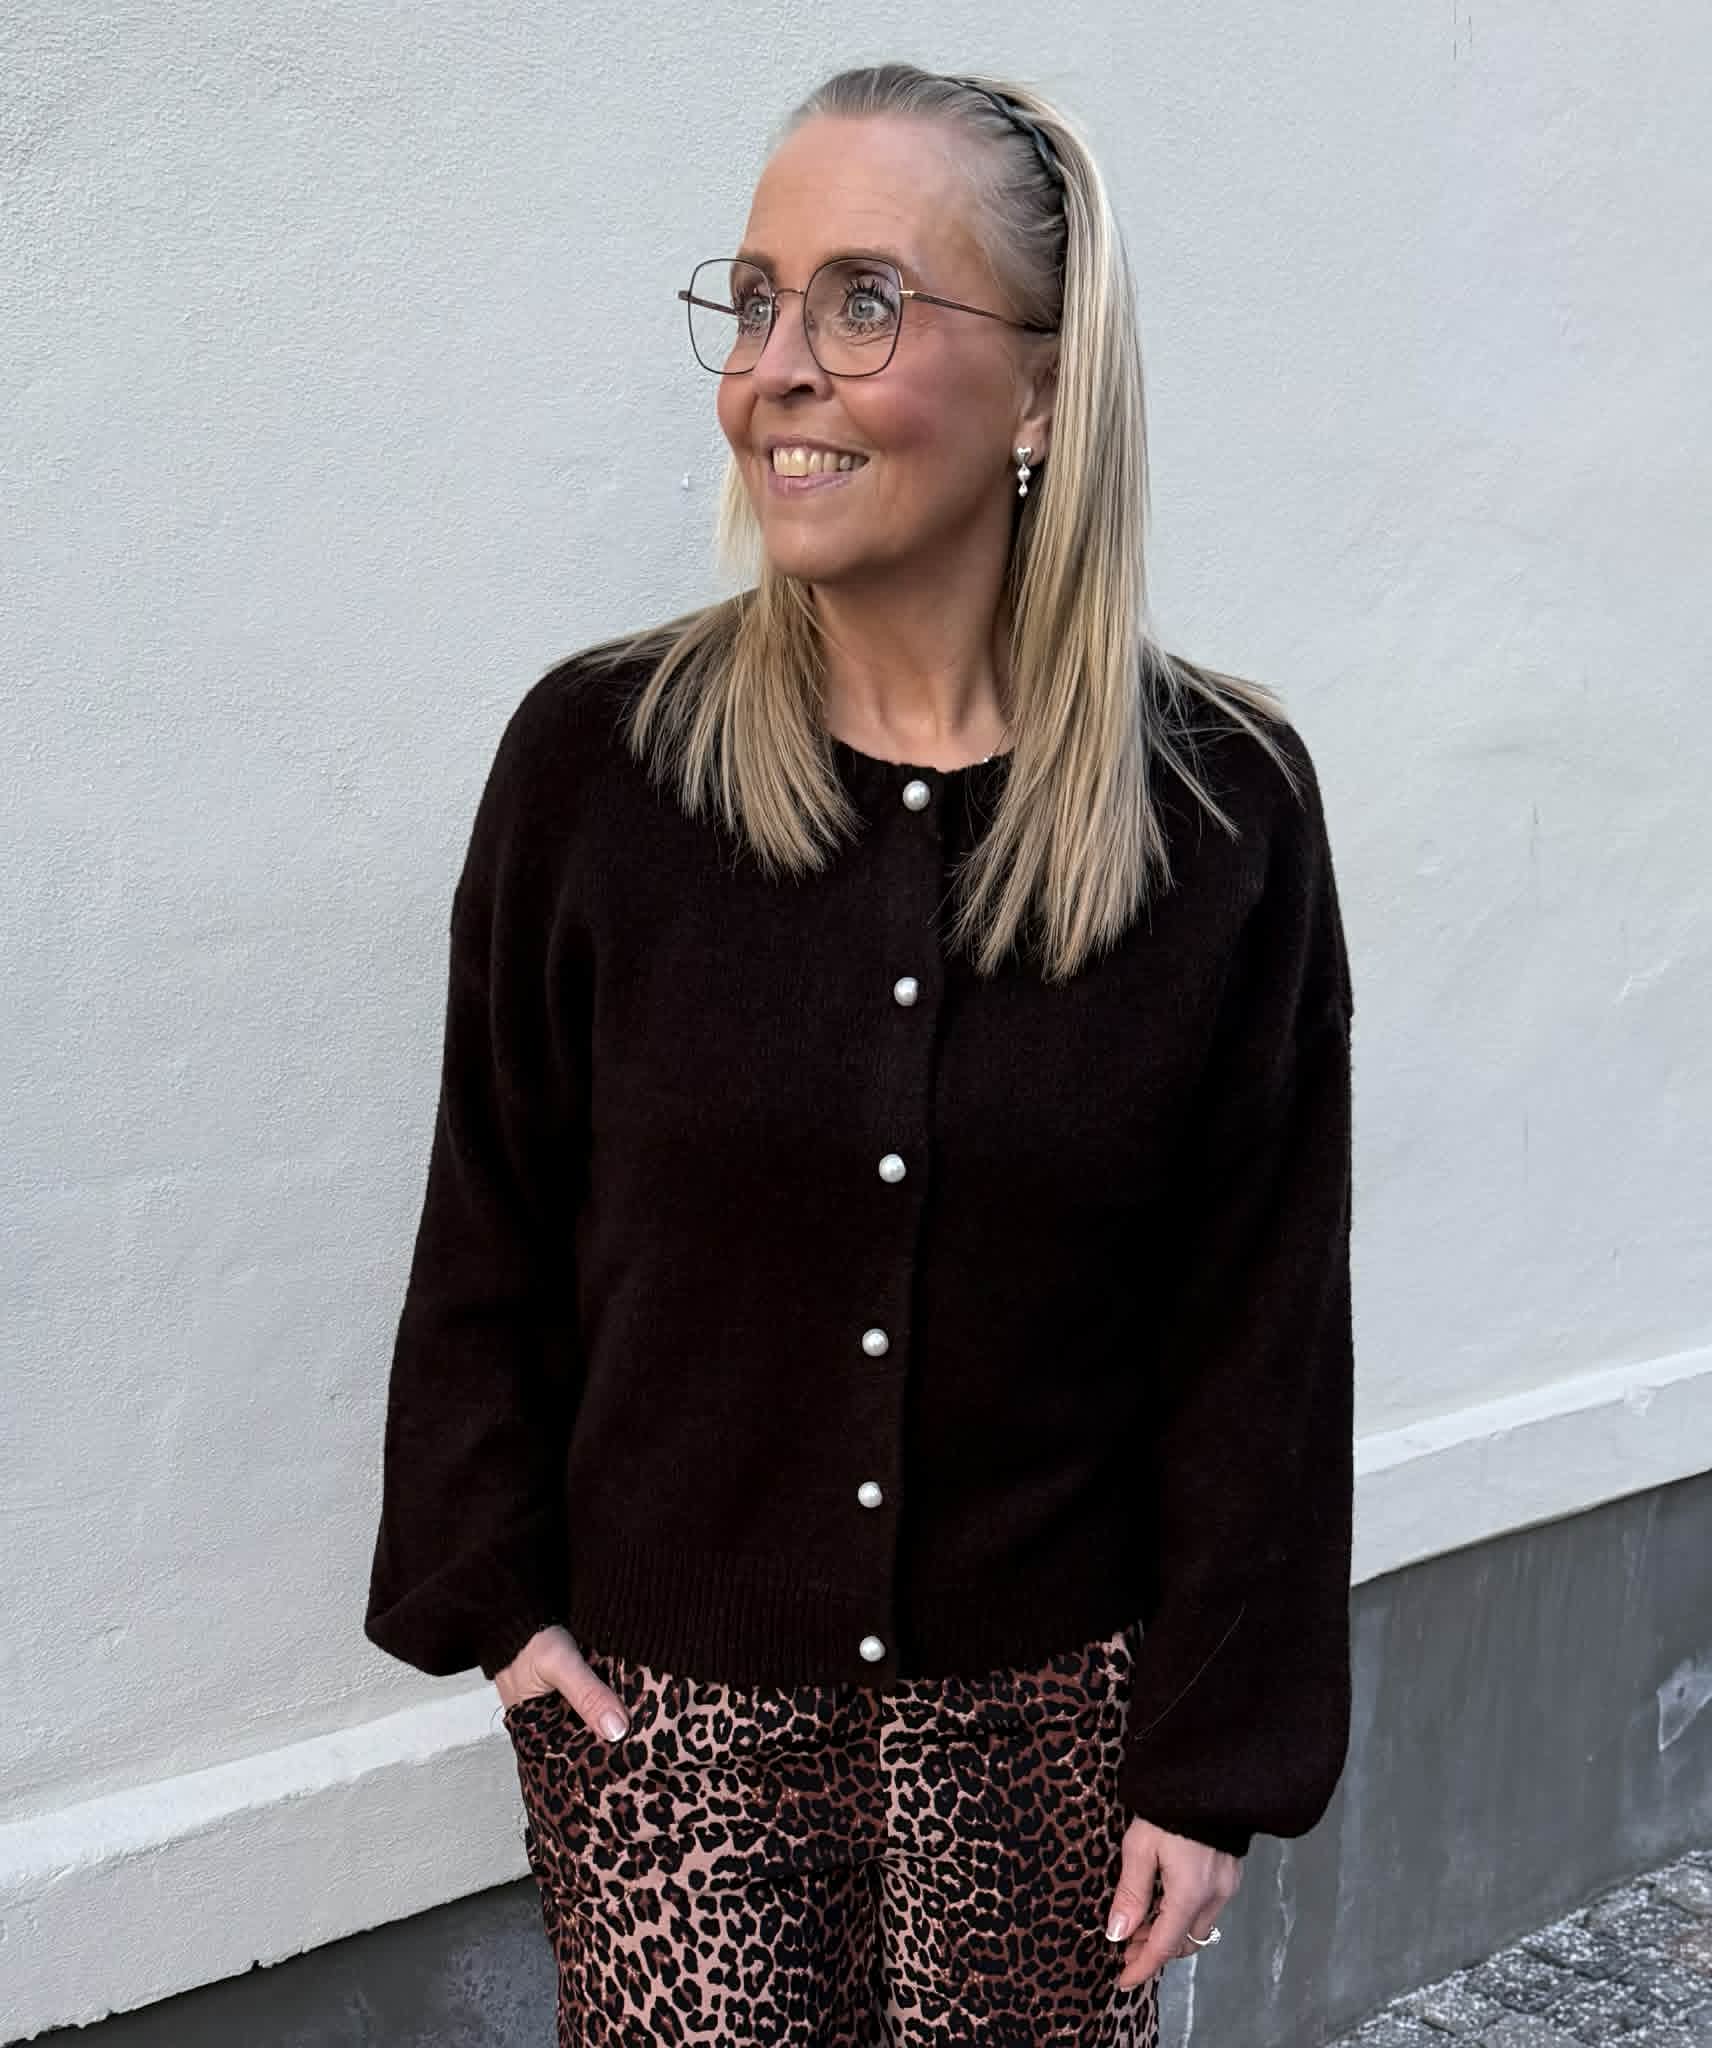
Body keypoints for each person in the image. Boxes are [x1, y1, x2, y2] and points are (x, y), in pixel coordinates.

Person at [363, 60, 1356, 2046]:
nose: (779, 369)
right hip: (670, 1739)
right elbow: (495, 1217)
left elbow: (1258, 1325)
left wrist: (1210, 1754)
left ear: (1044, 390)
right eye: (754, 301)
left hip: (1055, 1741)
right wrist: (502, 1611)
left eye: (864, 302)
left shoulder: (1220, 808)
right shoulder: (602, 766)